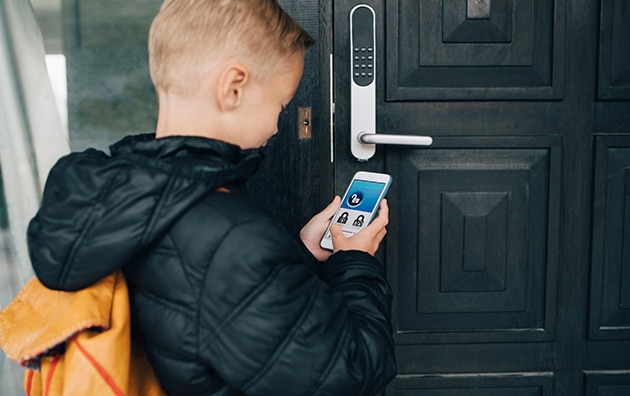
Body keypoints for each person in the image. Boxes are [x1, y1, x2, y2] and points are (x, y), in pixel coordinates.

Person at [26, 0, 397, 395]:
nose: (276, 125)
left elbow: (206, 298)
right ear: (233, 86)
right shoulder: (230, 233)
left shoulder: (125, 199)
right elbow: (350, 373)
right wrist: (356, 262)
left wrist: (301, 253)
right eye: (281, 104)